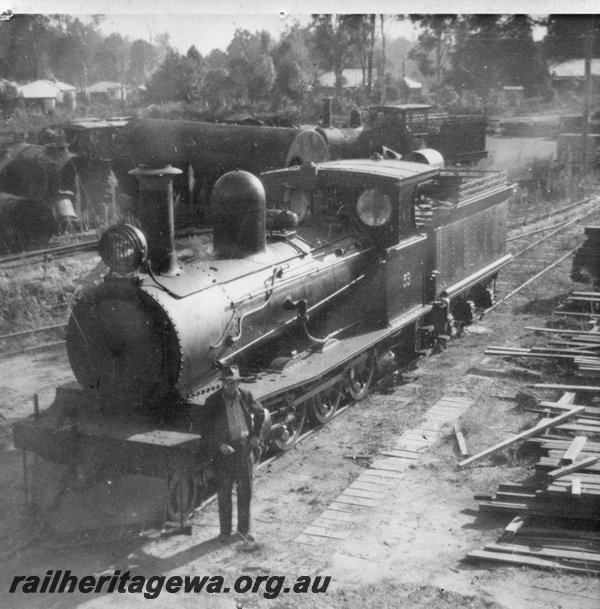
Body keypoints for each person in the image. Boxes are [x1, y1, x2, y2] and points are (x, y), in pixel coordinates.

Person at [204, 366, 265, 543]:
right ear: (222, 383)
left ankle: (243, 531)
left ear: (238, 382)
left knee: (245, 491)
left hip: (244, 449)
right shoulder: (213, 401)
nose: (231, 386)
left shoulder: (245, 396)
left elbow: (260, 413)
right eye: (228, 382)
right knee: (224, 493)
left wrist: (256, 435)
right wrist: (220, 445)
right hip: (225, 452)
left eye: (235, 382)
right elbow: (205, 430)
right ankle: (224, 532)